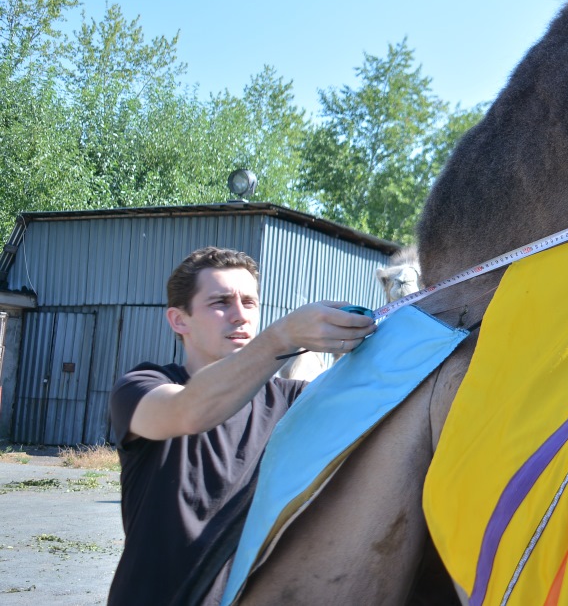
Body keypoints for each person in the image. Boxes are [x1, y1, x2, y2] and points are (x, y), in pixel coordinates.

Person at [107, 246, 375, 606]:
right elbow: (189, 411)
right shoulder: (139, 387)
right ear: (179, 320)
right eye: (221, 302)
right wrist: (282, 337)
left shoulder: (294, 401)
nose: (240, 316)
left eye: (249, 303)